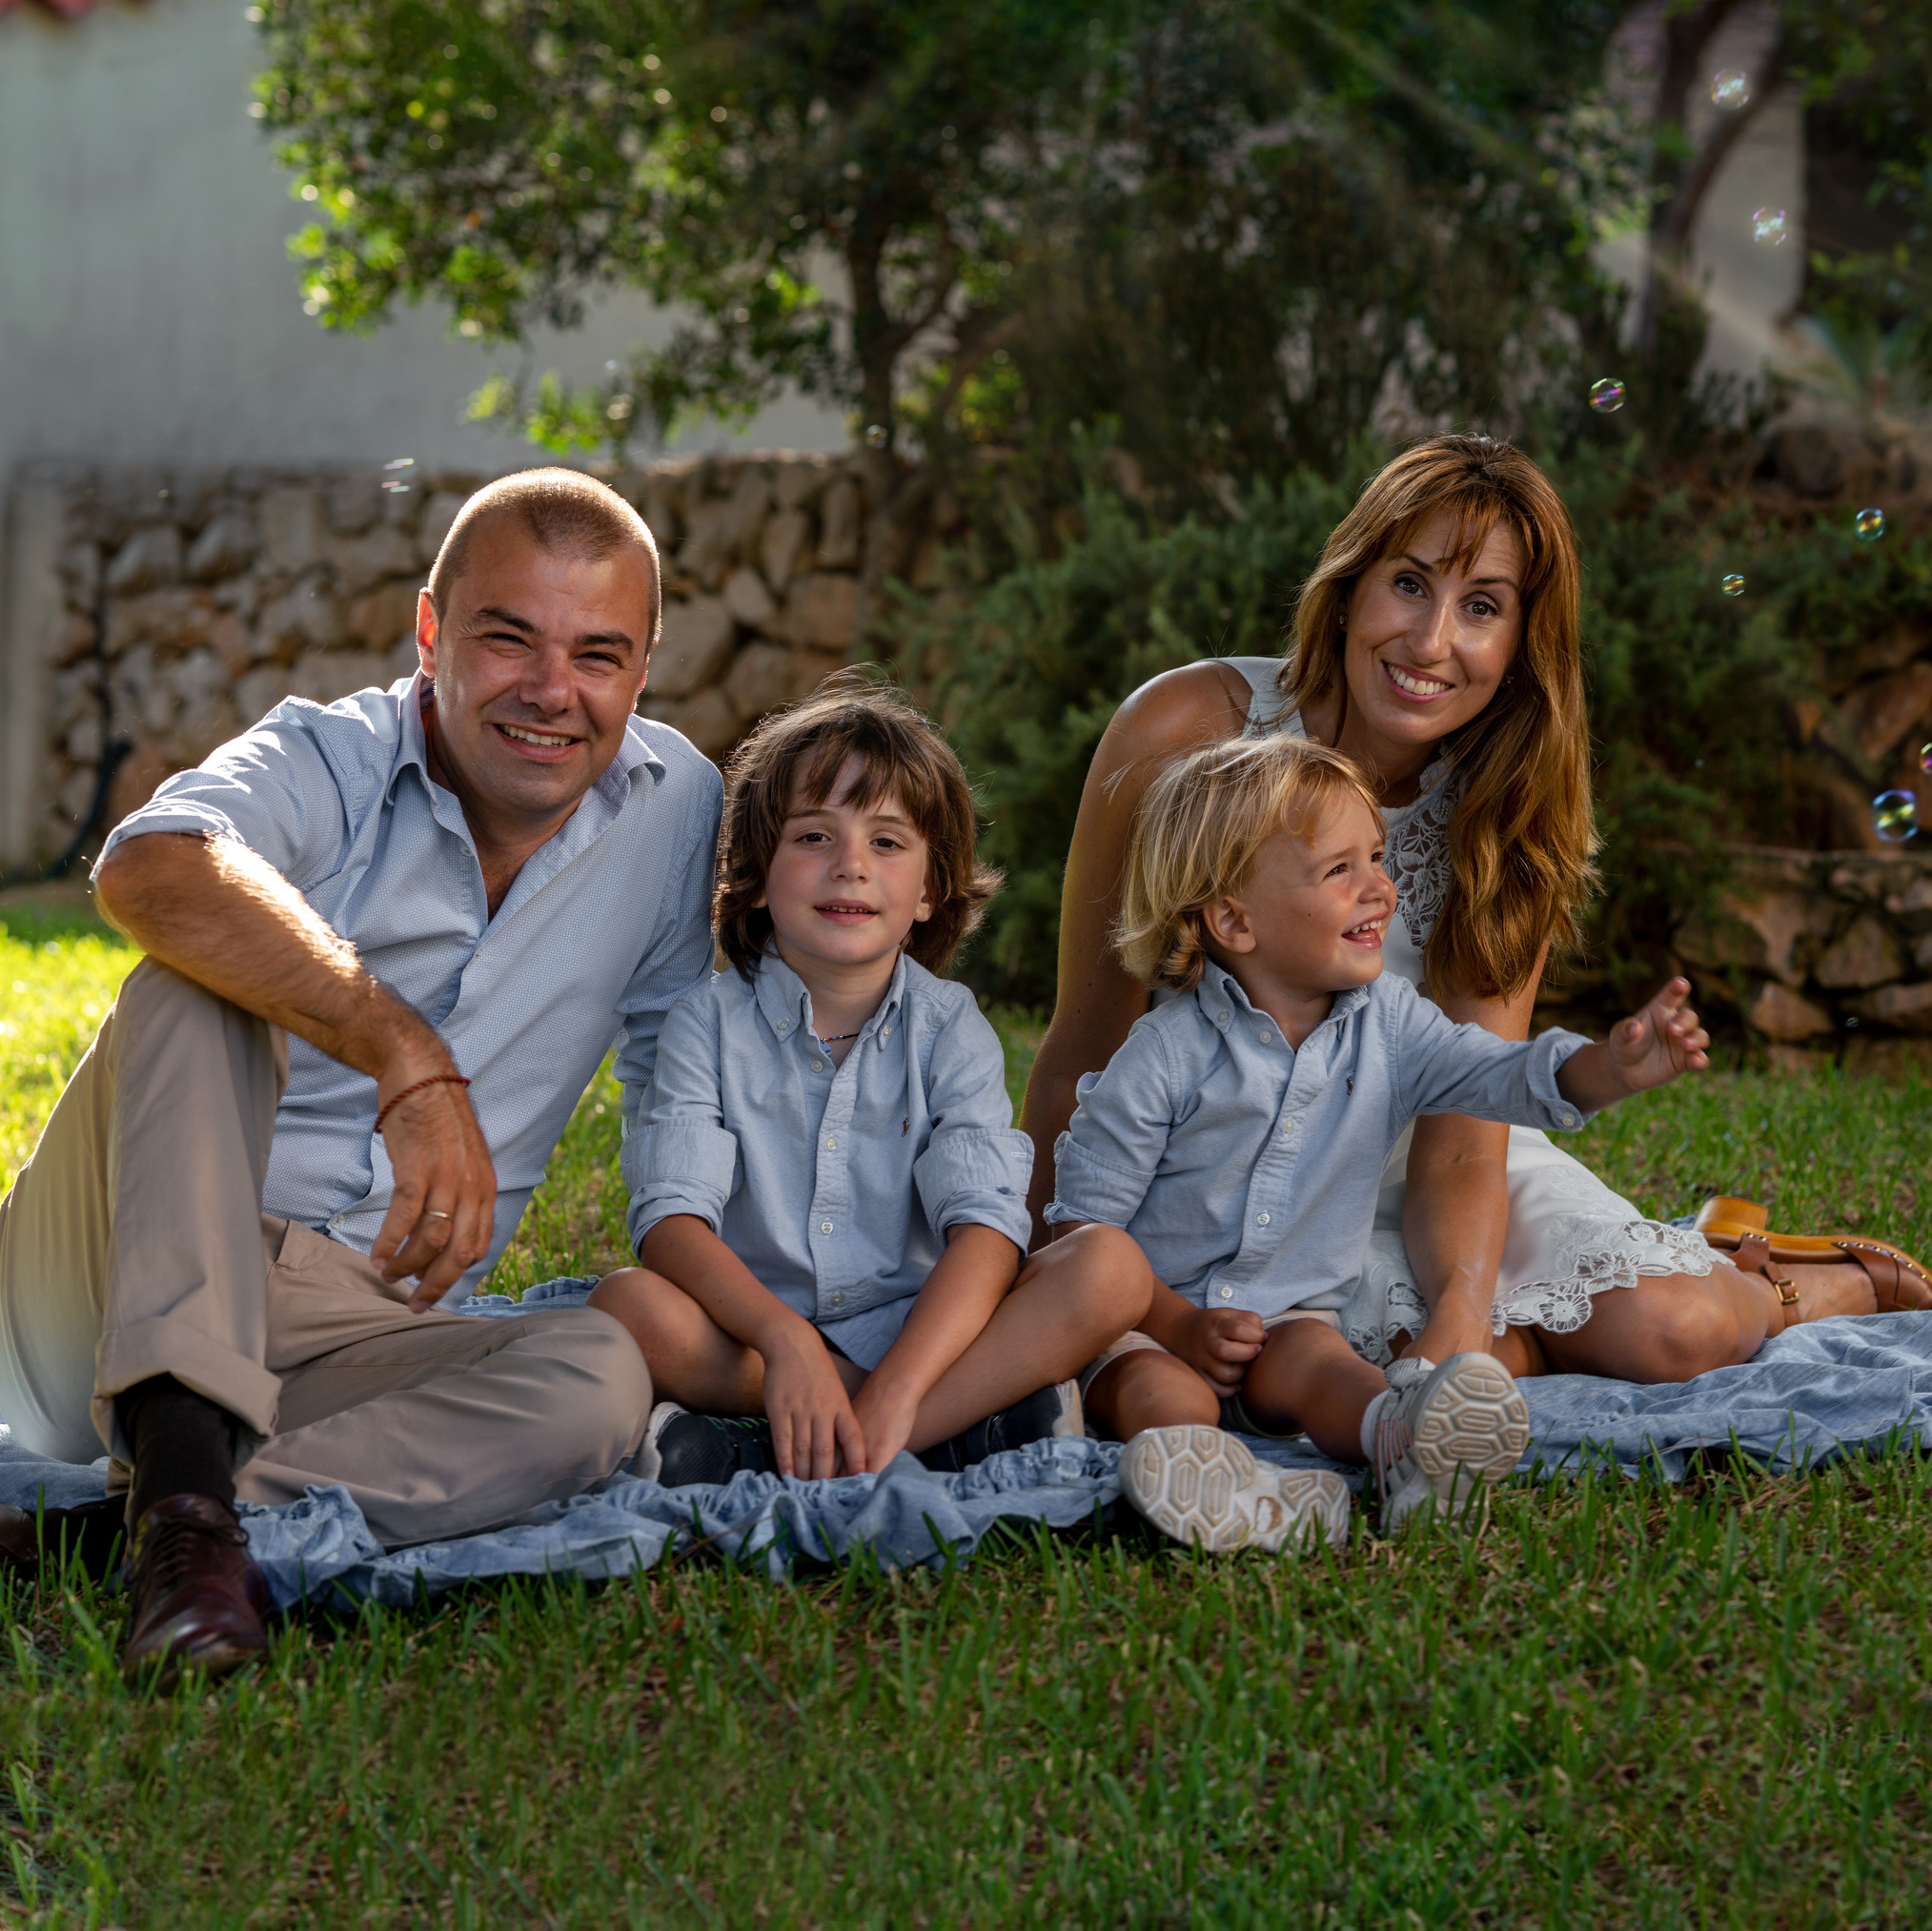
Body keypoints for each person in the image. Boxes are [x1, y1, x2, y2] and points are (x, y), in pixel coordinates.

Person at [1024, 434, 1931, 1406]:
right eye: (1408, 584)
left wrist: (1457, 1320)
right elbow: (1083, 1048)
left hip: (1430, 1154)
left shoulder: (1505, 807)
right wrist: (1047, 1281)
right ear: (1349, 581)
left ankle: (1787, 1278)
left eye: (1481, 607)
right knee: (1314, 1369)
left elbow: (1461, 1134)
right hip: (1210, 1171)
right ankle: (1537, 1339)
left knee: (1676, 1330)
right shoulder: (1183, 731)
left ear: (1518, 644)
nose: (1429, 642)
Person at [0, 468, 722, 1684]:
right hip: (107, 1283)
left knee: (599, 1377)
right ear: (429, 629)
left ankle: (150, 1529)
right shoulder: (327, 752)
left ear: (643, 670)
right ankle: (175, 1488)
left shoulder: (674, 809)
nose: (553, 692)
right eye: (509, 639)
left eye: (599, 654)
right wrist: (404, 1055)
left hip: (362, 1327)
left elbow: (684, 1099)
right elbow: (151, 869)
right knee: (192, 981)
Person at [1054, 732, 1715, 1542]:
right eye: (1342, 870)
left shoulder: (1391, 1026)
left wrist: (1610, 1069)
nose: (1381, 888)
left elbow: (1498, 1077)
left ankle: (1404, 1447)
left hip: (1288, 1317)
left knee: (1332, 1375)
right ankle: (1212, 1482)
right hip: (1149, 1321)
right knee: (1170, 1396)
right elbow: (1085, 1229)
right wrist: (1174, 1323)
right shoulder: (1162, 1054)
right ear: (1232, 918)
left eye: (1377, 856)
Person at [587, 679, 1150, 1485]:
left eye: (887, 843)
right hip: (750, 1335)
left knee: (1108, 1269)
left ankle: (802, 1441)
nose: (849, 866)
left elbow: (988, 1232)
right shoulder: (704, 1023)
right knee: (625, 1308)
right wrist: (785, 1343)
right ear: (754, 875)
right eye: (814, 837)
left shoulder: (951, 1027)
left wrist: (901, 1382)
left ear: (928, 892)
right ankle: (949, 1432)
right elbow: (671, 1221)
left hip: (928, 1333)